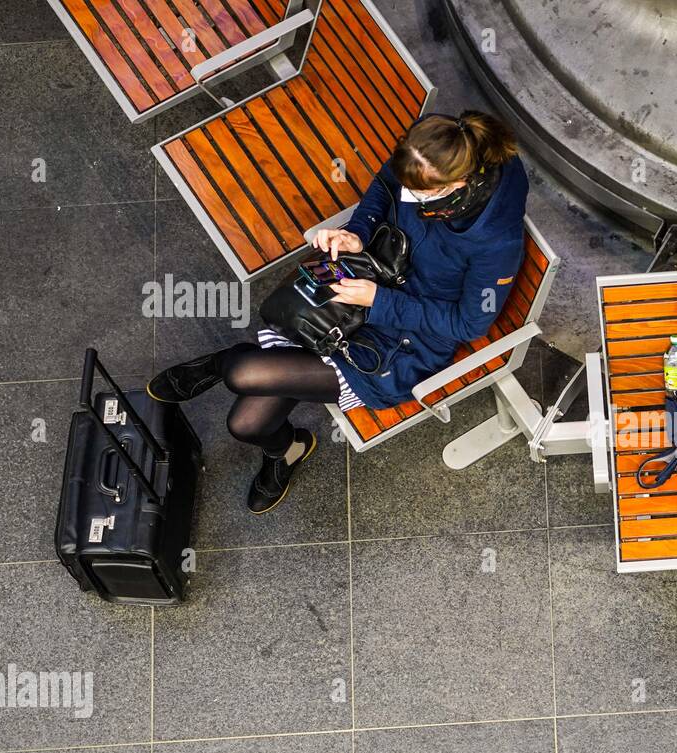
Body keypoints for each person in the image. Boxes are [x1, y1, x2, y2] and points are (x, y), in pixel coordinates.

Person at [145, 110, 529, 513]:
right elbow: (383, 186)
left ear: (459, 184)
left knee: (244, 394)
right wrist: (356, 233)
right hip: (363, 283)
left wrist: (379, 302)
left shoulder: (494, 242)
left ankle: (221, 365)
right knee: (247, 424)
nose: (410, 197)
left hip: (401, 341)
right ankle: (287, 449)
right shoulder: (425, 157)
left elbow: (470, 322)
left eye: (421, 194)